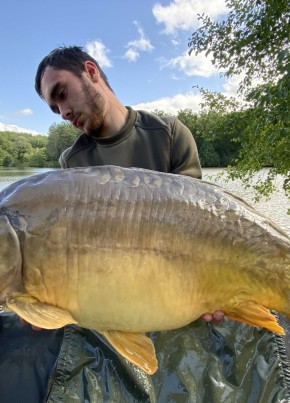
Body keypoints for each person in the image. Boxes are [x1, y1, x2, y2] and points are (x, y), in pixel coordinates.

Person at [0, 46, 289, 402]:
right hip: (120, 293)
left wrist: (216, 290)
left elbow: (202, 219)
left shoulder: (168, 133)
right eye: (54, 108)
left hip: (186, 280)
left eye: (61, 94)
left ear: (90, 72)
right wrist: (42, 304)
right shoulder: (72, 161)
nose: (63, 112)